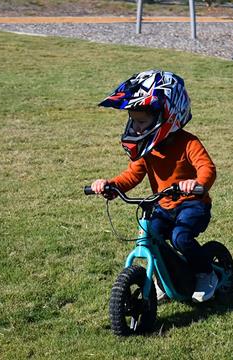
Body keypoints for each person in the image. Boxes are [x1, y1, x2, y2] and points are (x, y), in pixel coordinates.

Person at [91, 70, 217, 303]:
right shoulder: (147, 150)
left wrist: (197, 184)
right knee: (153, 236)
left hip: (192, 205)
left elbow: (207, 168)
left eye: (142, 121)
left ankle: (205, 273)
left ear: (167, 116)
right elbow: (132, 175)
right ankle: (163, 279)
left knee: (180, 237)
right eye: (133, 121)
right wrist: (111, 186)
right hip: (163, 206)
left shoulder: (188, 142)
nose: (136, 128)